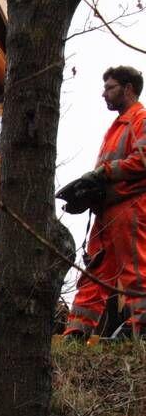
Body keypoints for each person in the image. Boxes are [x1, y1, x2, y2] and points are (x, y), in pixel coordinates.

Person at [64, 66, 146, 340]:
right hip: (107, 212)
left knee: (136, 271)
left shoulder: (140, 120)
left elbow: (143, 160)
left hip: (130, 207)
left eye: (110, 87)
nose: (104, 93)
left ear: (128, 88)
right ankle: (76, 332)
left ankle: (143, 330)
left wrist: (103, 173)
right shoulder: (118, 126)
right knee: (95, 274)